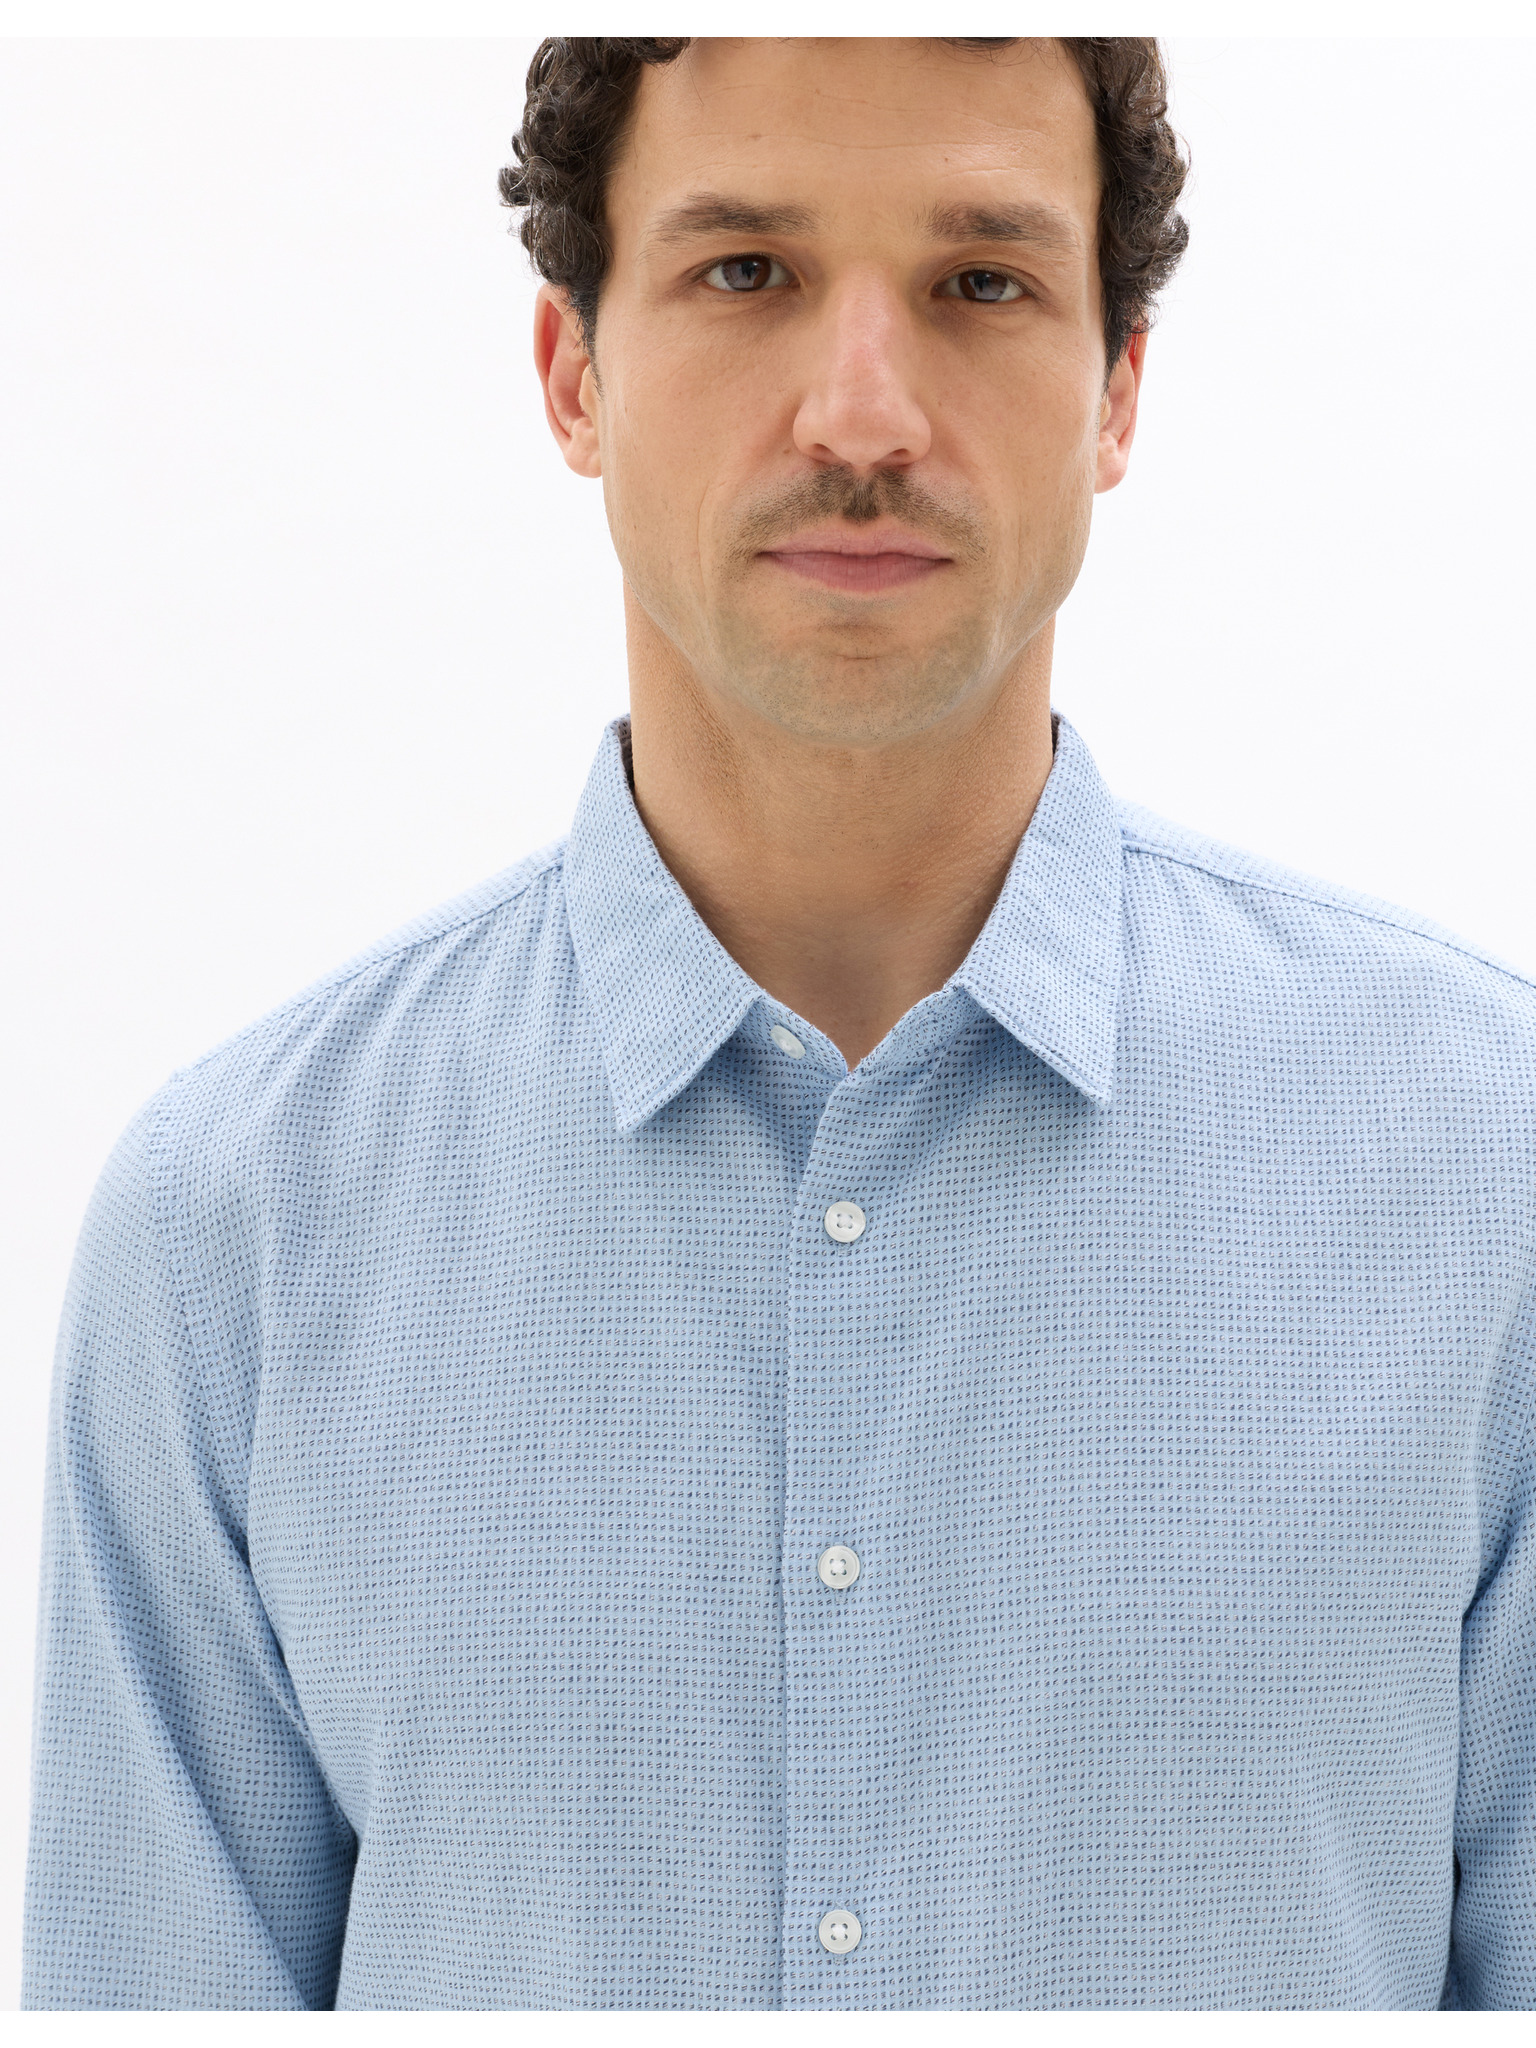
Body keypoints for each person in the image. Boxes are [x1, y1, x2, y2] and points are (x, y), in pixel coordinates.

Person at [22, 34, 1536, 2013]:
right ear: (572, 372)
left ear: (1118, 389)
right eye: (745, 271)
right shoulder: (235, 1234)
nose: (863, 411)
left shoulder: (1489, 1180)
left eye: (982, 280)